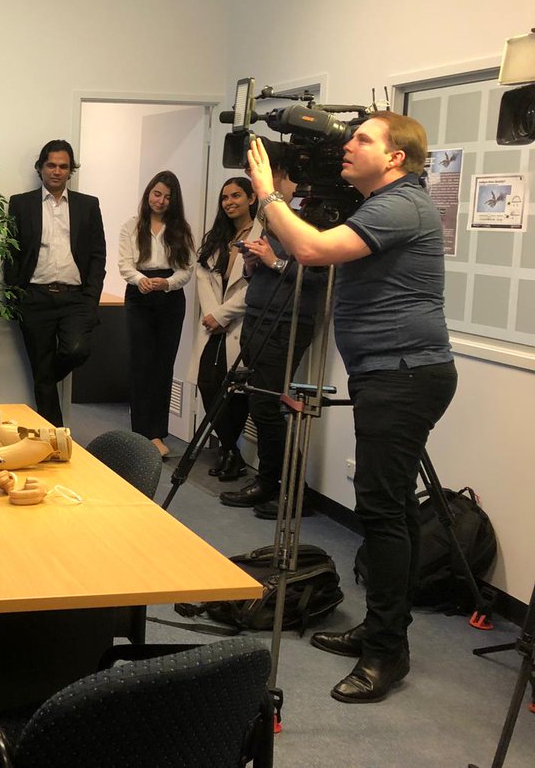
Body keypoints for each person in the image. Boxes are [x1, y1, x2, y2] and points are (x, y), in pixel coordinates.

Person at [245, 112, 456, 704]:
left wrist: (267, 193)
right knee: (392, 510)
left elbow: (310, 249)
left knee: (382, 511)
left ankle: (388, 652)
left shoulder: (400, 204)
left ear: (395, 158)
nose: (348, 145)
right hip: (390, 374)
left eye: (363, 138)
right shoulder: (379, 205)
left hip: (405, 377)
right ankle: (382, 628)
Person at [220, 164, 326, 512]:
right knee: (259, 403)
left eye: (276, 178)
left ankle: (295, 492)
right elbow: (266, 271)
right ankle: (270, 481)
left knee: (267, 405)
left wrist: (275, 262)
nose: (268, 185)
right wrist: (253, 264)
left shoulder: (319, 223)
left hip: (286, 324)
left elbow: (320, 280)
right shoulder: (278, 220)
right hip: (258, 316)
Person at [5, 140, 106, 426]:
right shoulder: (21, 203)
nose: (57, 171)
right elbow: (11, 253)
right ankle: (55, 437)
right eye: (51, 165)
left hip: (75, 298)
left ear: (71, 170)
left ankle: (46, 381)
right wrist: (15, 297)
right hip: (34, 298)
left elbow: (98, 254)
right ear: (40, 168)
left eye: (63, 166)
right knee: (42, 378)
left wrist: (91, 298)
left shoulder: (88, 205)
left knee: (75, 351)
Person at [117, 171, 195, 458]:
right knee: (141, 364)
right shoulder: (131, 226)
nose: (161, 201)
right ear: (148, 193)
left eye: (168, 196)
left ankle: (156, 434)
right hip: (140, 294)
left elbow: (187, 269)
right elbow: (124, 265)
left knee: (163, 366)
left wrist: (168, 283)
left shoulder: (181, 229)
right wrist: (141, 281)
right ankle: (141, 434)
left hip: (170, 297)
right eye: (157, 193)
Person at [188, 177, 259, 481]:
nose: (230, 202)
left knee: (236, 392)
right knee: (207, 385)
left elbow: (258, 285)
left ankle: (230, 453)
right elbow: (203, 275)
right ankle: (231, 449)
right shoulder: (217, 236)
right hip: (213, 322)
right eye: (225, 198)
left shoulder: (262, 234)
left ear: (252, 199)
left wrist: (224, 315)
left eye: (236, 196)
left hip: (241, 323)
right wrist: (213, 314)